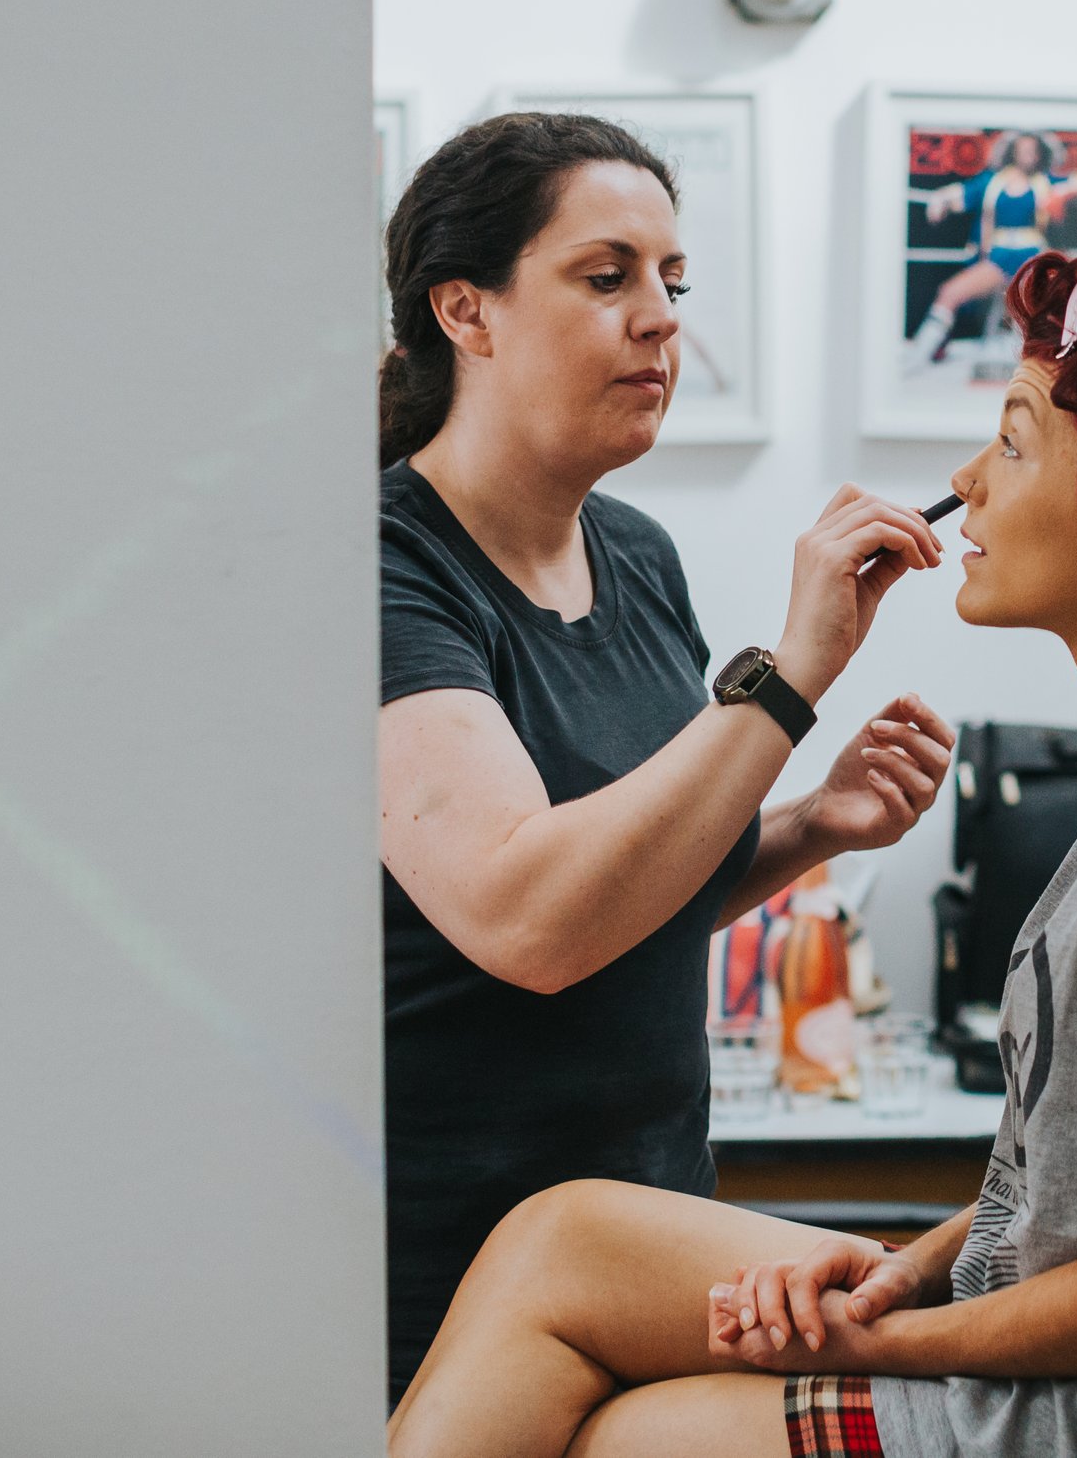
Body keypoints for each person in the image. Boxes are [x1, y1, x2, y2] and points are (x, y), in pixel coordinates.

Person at [385, 252, 1077, 1458]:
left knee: (621, 1433)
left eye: (1014, 442)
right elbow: (1076, 1194)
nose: (966, 480)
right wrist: (899, 1275)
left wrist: (877, 1338)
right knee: (560, 1237)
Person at [376, 112, 958, 1405]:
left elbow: (639, 885)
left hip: (650, 1230)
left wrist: (810, 824)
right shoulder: (381, 567)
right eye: (608, 275)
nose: (661, 318)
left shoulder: (636, 553)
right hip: (452, 1278)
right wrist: (789, 677)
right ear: (464, 308)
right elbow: (530, 914)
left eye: (673, 282)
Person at [906, 130, 1077, 363]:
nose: (1028, 155)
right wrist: (939, 200)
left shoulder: (1046, 181)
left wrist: (1064, 193)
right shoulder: (992, 182)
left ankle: (1066, 360)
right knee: (950, 293)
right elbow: (960, 194)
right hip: (998, 258)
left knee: (1049, 302)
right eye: (1024, 149)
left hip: (1032, 258)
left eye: (1033, 150)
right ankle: (919, 356)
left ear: (1040, 154)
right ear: (1013, 152)